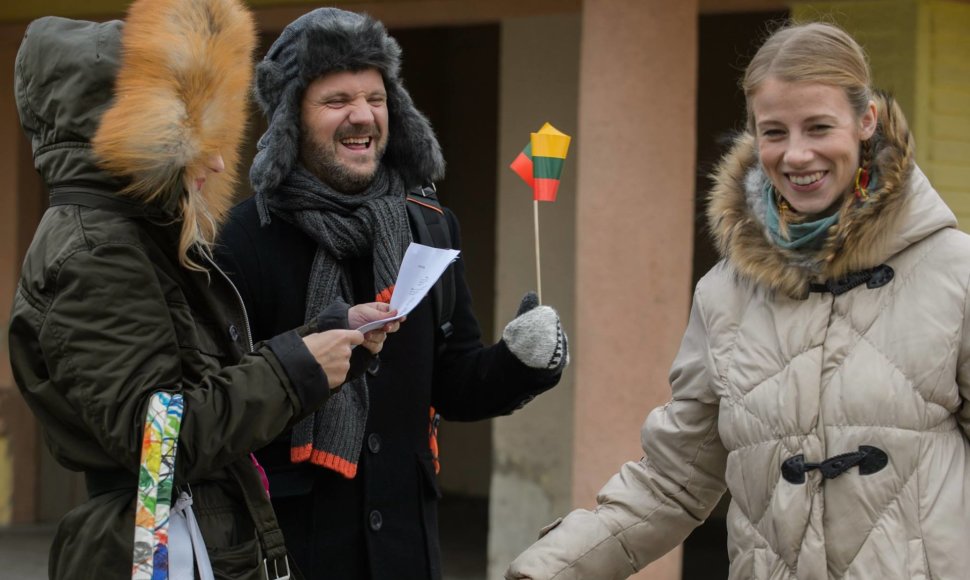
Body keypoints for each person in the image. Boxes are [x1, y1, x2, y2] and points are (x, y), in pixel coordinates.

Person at [506, 21, 970, 580]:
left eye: (819, 126)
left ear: (866, 119)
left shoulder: (954, 272)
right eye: (774, 132)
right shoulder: (724, 294)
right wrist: (544, 570)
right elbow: (671, 482)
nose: (796, 155)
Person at [7, 0, 399, 578]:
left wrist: (323, 338)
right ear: (131, 137)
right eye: (187, 138)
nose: (217, 162)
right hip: (156, 552)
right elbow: (158, 442)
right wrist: (296, 367)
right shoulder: (98, 254)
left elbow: (192, 391)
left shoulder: (132, 239)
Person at [214, 7, 569, 580]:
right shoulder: (242, 241)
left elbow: (453, 382)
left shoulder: (430, 225)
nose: (363, 116)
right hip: (291, 552)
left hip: (406, 552)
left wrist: (520, 363)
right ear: (290, 119)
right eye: (336, 101)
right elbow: (224, 403)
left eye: (376, 98)